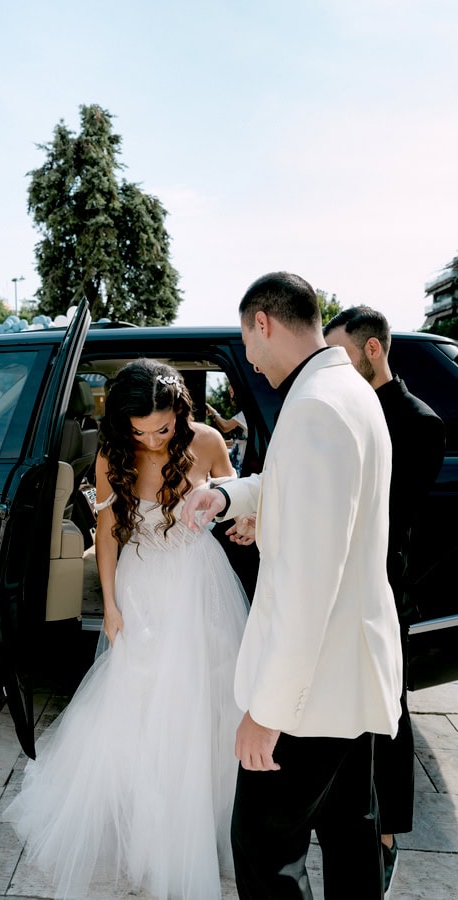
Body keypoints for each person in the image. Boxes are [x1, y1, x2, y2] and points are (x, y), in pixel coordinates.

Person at [181, 272, 403, 900]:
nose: (246, 361)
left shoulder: (313, 409)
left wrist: (267, 712)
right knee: (351, 838)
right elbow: (322, 507)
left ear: (264, 323)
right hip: (351, 677)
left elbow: (309, 585)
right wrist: (230, 495)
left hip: (311, 692)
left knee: (265, 852)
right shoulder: (349, 392)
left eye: (247, 344)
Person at [5, 358, 249, 900]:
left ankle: (207, 826)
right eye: (140, 431)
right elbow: (107, 534)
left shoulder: (207, 441)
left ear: (180, 411)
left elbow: (237, 500)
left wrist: (246, 521)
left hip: (199, 582)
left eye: (162, 428)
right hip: (141, 585)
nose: (153, 440)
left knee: (205, 702)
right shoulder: (112, 453)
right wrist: (111, 605)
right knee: (142, 706)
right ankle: (150, 831)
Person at [324, 306, 445, 896]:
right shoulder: (346, 409)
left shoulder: (419, 423)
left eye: (342, 355)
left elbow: (391, 521)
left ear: (373, 350)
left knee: (386, 712)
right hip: (333, 582)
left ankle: (386, 836)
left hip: (381, 587)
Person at [206, 384, 248, 476]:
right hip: (236, 461)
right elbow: (236, 442)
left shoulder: (246, 413)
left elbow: (225, 427)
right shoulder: (242, 413)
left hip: (241, 464)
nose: (229, 387)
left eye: (232, 385)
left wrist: (213, 413)